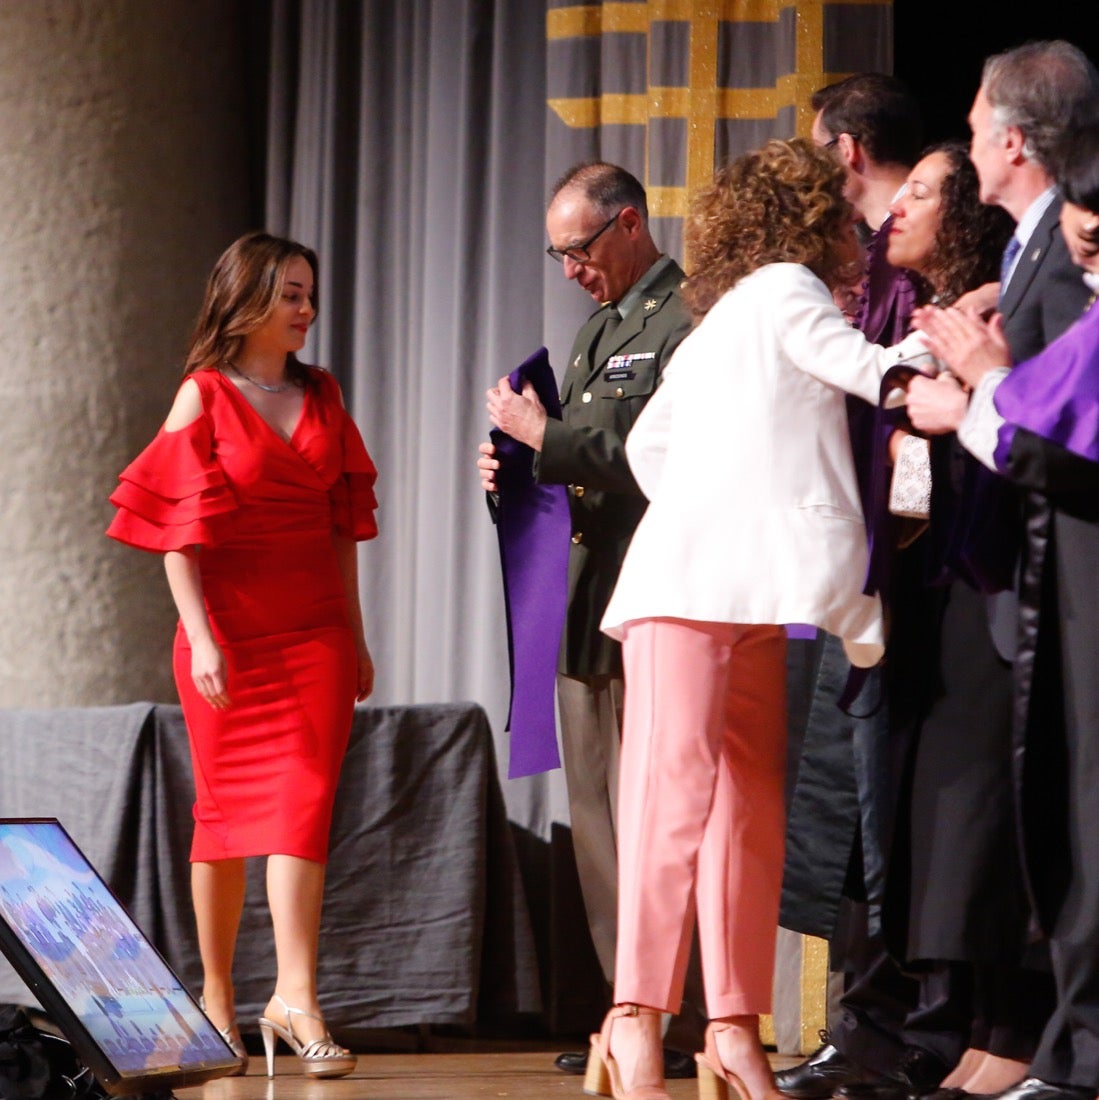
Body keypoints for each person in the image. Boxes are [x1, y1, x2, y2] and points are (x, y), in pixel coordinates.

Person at [587, 137, 924, 1100]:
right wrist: (940, 346)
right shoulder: (783, 288)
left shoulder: (723, 315)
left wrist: (716, 497)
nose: (857, 232)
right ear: (811, 220)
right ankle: (634, 1020)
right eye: (842, 213)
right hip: (693, 586)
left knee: (747, 810)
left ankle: (732, 1028)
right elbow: (859, 367)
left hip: (740, 588)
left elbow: (650, 444)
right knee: (674, 804)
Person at [107, 231, 378, 1080]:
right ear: (248, 299)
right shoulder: (204, 395)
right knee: (223, 823)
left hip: (316, 637)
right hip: (227, 636)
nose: (307, 309)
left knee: (303, 807)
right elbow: (172, 531)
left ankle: (296, 996)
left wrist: (357, 633)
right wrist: (206, 638)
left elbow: (343, 530)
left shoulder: (324, 394)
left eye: (309, 293)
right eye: (291, 294)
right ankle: (217, 1001)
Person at [898, 42, 1098, 1100]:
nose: (969, 141)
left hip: (1064, 565)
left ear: (1012, 140)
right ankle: (1049, 1041)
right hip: (1019, 568)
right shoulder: (1029, 252)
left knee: (1067, 813)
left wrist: (971, 397)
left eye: (975, 127)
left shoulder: (1069, 250)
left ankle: (1064, 1047)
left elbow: (1074, 423)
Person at [476, 162, 700, 1078]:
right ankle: (627, 1012)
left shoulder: (684, 318)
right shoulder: (600, 328)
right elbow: (580, 463)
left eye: (578, 249)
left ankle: (680, 1020)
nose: (568, 269)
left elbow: (662, 457)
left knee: (660, 816)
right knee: (598, 818)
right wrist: (517, 467)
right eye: (557, 254)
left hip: (655, 597)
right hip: (584, 601)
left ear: (629, 225)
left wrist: (547, 437)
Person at [778, 74, 941, 1100]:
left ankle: (896, 1025)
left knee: (892, 808)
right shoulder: (850, 268)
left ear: (841, 150)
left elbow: (910, 398)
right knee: (846, 806)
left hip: (910, 562)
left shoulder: (909, 265)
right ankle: (864, 1020)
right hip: (852, 565)